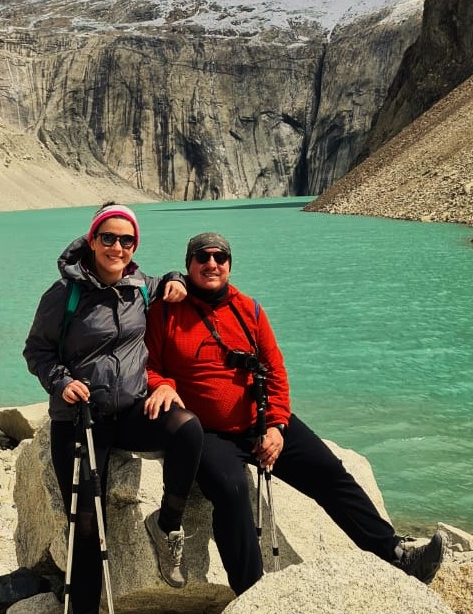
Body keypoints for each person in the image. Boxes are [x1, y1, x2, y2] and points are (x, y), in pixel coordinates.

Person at [144, 232, 446, 596]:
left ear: (229, 264)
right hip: (209, 433)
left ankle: (396, 554)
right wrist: (162, 384)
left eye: (219, 258)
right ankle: (253, 595)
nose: (211, 264)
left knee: (328, 471)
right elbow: (148, 365)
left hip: (259, 421)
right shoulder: (166, 310)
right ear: (188, 264)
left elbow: (275, 369)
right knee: (231, 489)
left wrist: (276, 424)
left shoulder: (249, 310)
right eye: (202, 257)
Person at [23, 203, 204, 612]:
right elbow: (37, 351)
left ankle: (168, 526)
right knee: (88, 524)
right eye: (108, 238)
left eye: (126, 240)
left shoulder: (139, 286)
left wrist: (177, 278)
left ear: (134, 245)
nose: (117, 247)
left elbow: (167, 281)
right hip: (79, 420)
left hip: (130, 411)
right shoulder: (64, 295)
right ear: (92, 240)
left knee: (187, 429)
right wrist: (61, 382)